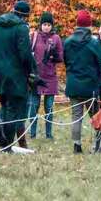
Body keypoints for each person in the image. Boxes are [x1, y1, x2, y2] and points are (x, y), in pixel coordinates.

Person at [0, 0, 38, 154]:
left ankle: (0, 121)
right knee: (15, 108)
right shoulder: (21, 28)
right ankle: (7, 146)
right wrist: (31, 73)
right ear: (25, 16)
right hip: (15, 74)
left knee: (5, 102)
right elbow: (25, 55)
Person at [63, 9, 101, 153]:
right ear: (89, 26)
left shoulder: (68, 42)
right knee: (95, 115)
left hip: (73, 84)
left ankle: (77, 145)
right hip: (90, 85)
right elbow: (100, 64)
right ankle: (97, 145)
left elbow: (66, 61)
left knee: (76, 116)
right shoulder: (94, 43)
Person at [28, 11, 63, 139]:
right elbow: (27, 53)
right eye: (44, 24)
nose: (46, 27)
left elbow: (60, 58)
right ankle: (32, 134)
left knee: (49, 107)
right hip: (36, 76)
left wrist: (54, 55)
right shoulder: (34, 36)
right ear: (40, 25)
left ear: (52, 26)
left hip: (50, 76)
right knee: (33, 107)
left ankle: (49, 134)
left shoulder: (56, 38)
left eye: (49, 24)